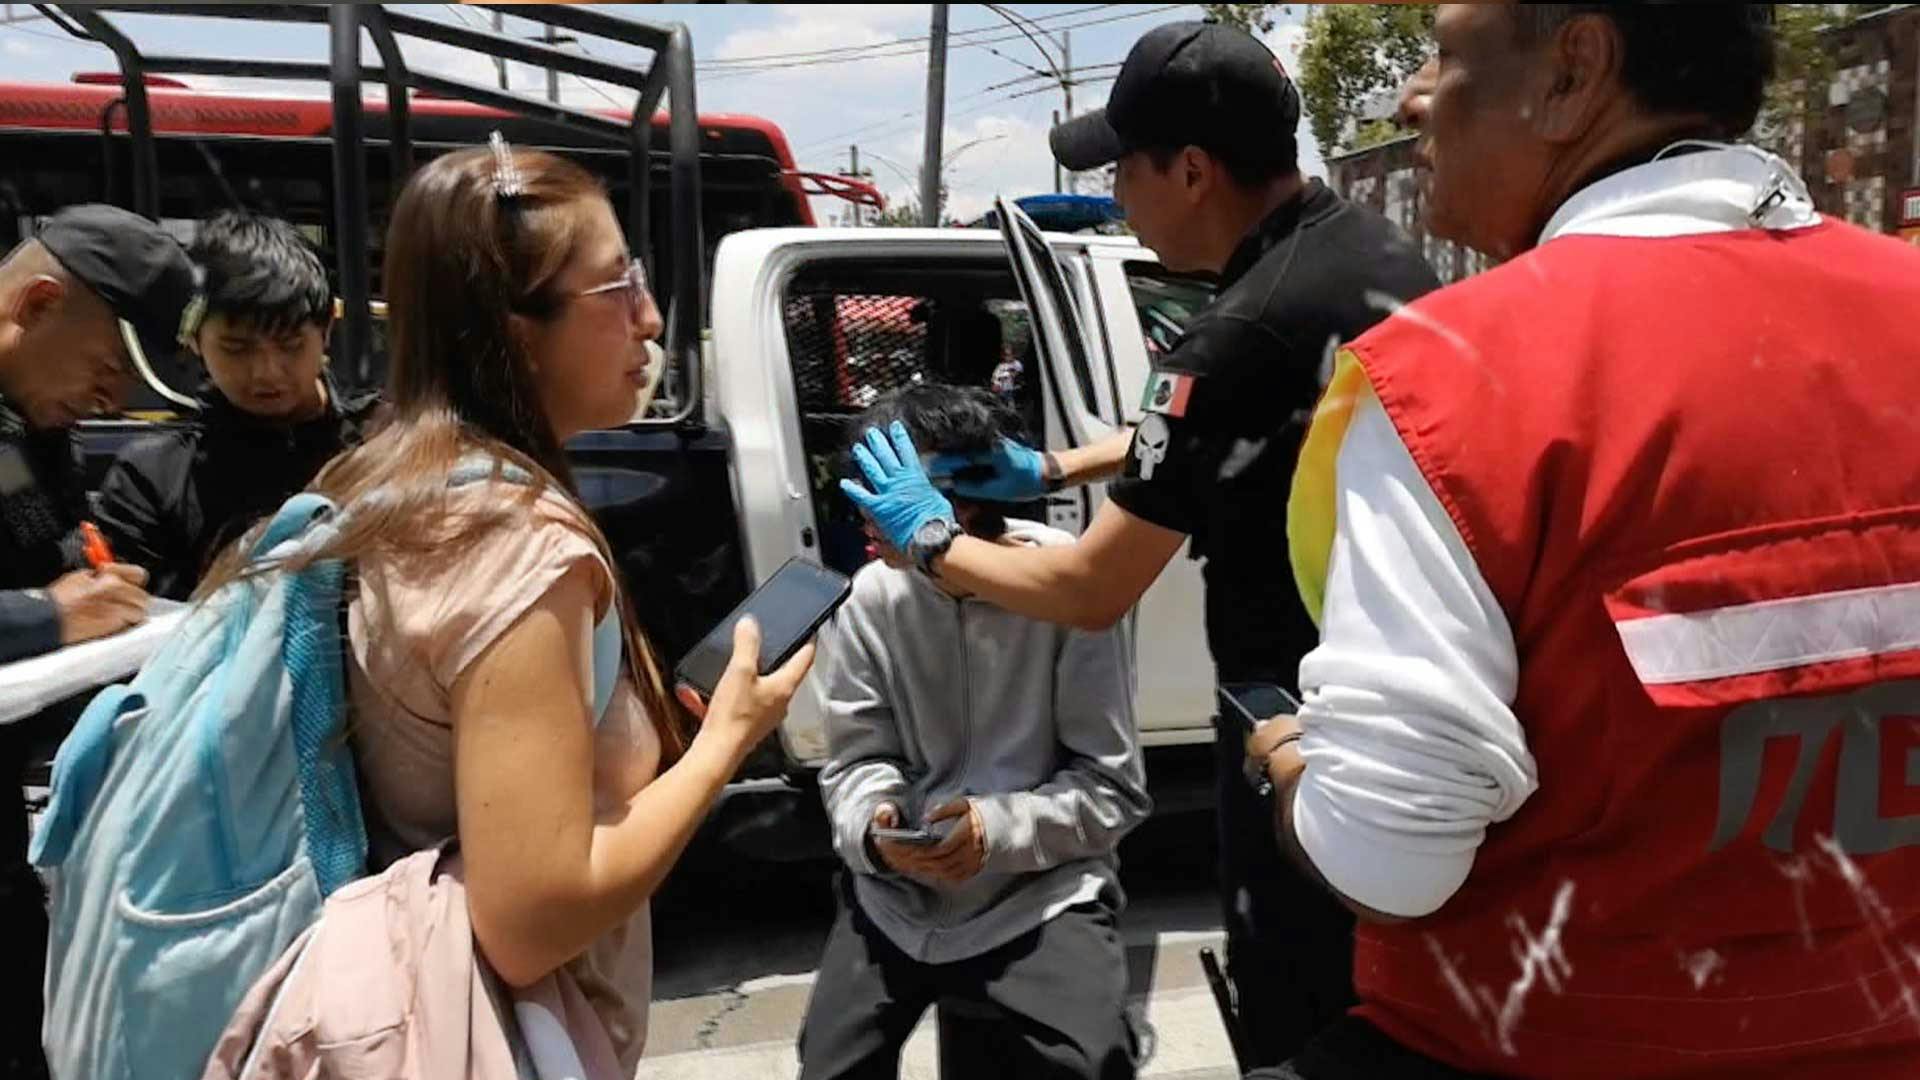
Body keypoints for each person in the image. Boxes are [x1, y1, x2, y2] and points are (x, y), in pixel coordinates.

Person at [1241, 5, 1920, 1078]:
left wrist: (1295, 779)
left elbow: (1391, 854)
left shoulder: (1451, 380)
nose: (1414, 97)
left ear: (1575, 73)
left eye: (1445, 54)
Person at [840, 21, 1440, 1068]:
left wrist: (931, 542)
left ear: (1195, 170)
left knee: (1308, 1017)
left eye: (1125, 168)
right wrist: (1061, 468)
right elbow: (1285, 418)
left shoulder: (1231, 335)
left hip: (1297, 734)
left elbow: (1086, 587)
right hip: (1420, 709)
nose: (1117, 193)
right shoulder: (1371, 257)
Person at [194, 141, 814, 1072]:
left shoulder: (396, 475)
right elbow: (533, 916)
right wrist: (731, 735)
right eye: (618, 288)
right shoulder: (514, 542)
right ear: (520, 332)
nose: (650, 320)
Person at [800, 384, 1151, 1080]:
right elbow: (855, 759)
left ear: (963, 497)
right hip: (898, 899)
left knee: (1091, 1062)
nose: (869, 517)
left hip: (1038, 894)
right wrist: (878, 827)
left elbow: (1113, 789)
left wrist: (997, 828)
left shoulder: (1065, 584)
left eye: (891, 491)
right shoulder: (872, 597)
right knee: (831, 1066)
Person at [0, 204, 196, 1079]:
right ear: (37, 305)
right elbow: (45, 599)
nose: (114, 400)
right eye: (108, 367)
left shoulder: (27, 421)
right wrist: (50, 615)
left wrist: (97, 580)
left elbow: (43, 535)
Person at [96, 210, 380, 600]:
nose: (266, 372)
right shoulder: (151, 480)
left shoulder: (389, 441)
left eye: (290, 344)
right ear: (194, 339)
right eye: (237, 348)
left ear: (327, 329)